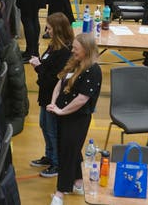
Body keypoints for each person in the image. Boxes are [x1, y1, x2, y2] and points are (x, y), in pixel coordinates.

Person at [48, 33, 102, 205]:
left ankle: (60, 193)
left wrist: (62, 111)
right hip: (63, 114)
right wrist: (53, 103)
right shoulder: (75, 63)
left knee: (67, 154)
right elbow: (60, 83)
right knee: (72, 149)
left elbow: (82, 99)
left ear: (86, 50)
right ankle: (78, 182)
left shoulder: (93, 70)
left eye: (76, 49)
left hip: (77, 118)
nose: (72, 51)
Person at [29, 13, 74, 178]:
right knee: (44, 125)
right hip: (45, 94)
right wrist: (39, 65)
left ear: (58, 29)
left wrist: (38, 67)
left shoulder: (64, 52)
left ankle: (56, 163)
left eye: (49, 28)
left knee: (52, 129)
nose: (46, 30)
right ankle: (49, 155)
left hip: (53, 96)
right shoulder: (53, 46)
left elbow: (54, 77)